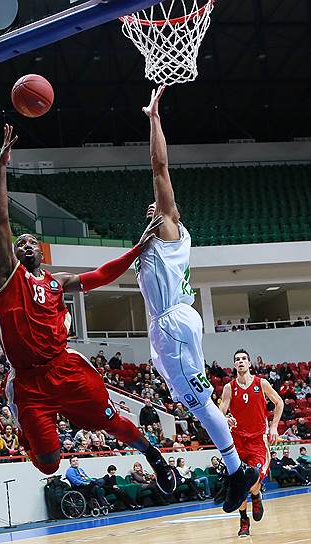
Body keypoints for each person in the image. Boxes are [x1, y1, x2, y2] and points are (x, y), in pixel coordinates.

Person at [0, 124, 174, 495]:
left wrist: (138, 248)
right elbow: (1, 221)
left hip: (64, 367)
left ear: (41, 251)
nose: (24, 244)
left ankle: (154, 456)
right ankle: (27, 434)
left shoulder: (58, 282)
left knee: (111, 420)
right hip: (28, 382)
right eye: (19, 242)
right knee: (50, 463)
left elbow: (102, 274)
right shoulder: (7, 277)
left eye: (31, 241)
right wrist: (3, 167)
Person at [135, 87, 258, 513]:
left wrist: (154, 119)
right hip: (164, 328)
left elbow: (159, 166)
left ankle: (238, 470)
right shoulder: (150, 240)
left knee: (200, 401)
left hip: (174, 322)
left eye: (160, 206)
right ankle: (235, 467)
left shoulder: (169, 228)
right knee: (190, 398)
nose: (153, 207)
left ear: (173, 213)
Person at [219, 349, 284, 537]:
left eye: (243, 359)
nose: (240, 362)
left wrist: (273, 427)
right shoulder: (229, 388)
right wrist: (225, 420)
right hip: (237, 441)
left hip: (258, 441)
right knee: (239, 483)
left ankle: (256, 495)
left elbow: (279, 402)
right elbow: (220, 411)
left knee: (252, 480)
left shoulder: (261, 383)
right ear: (234, 365)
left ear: (249, 363)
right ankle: (243, 520)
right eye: (237, 359)